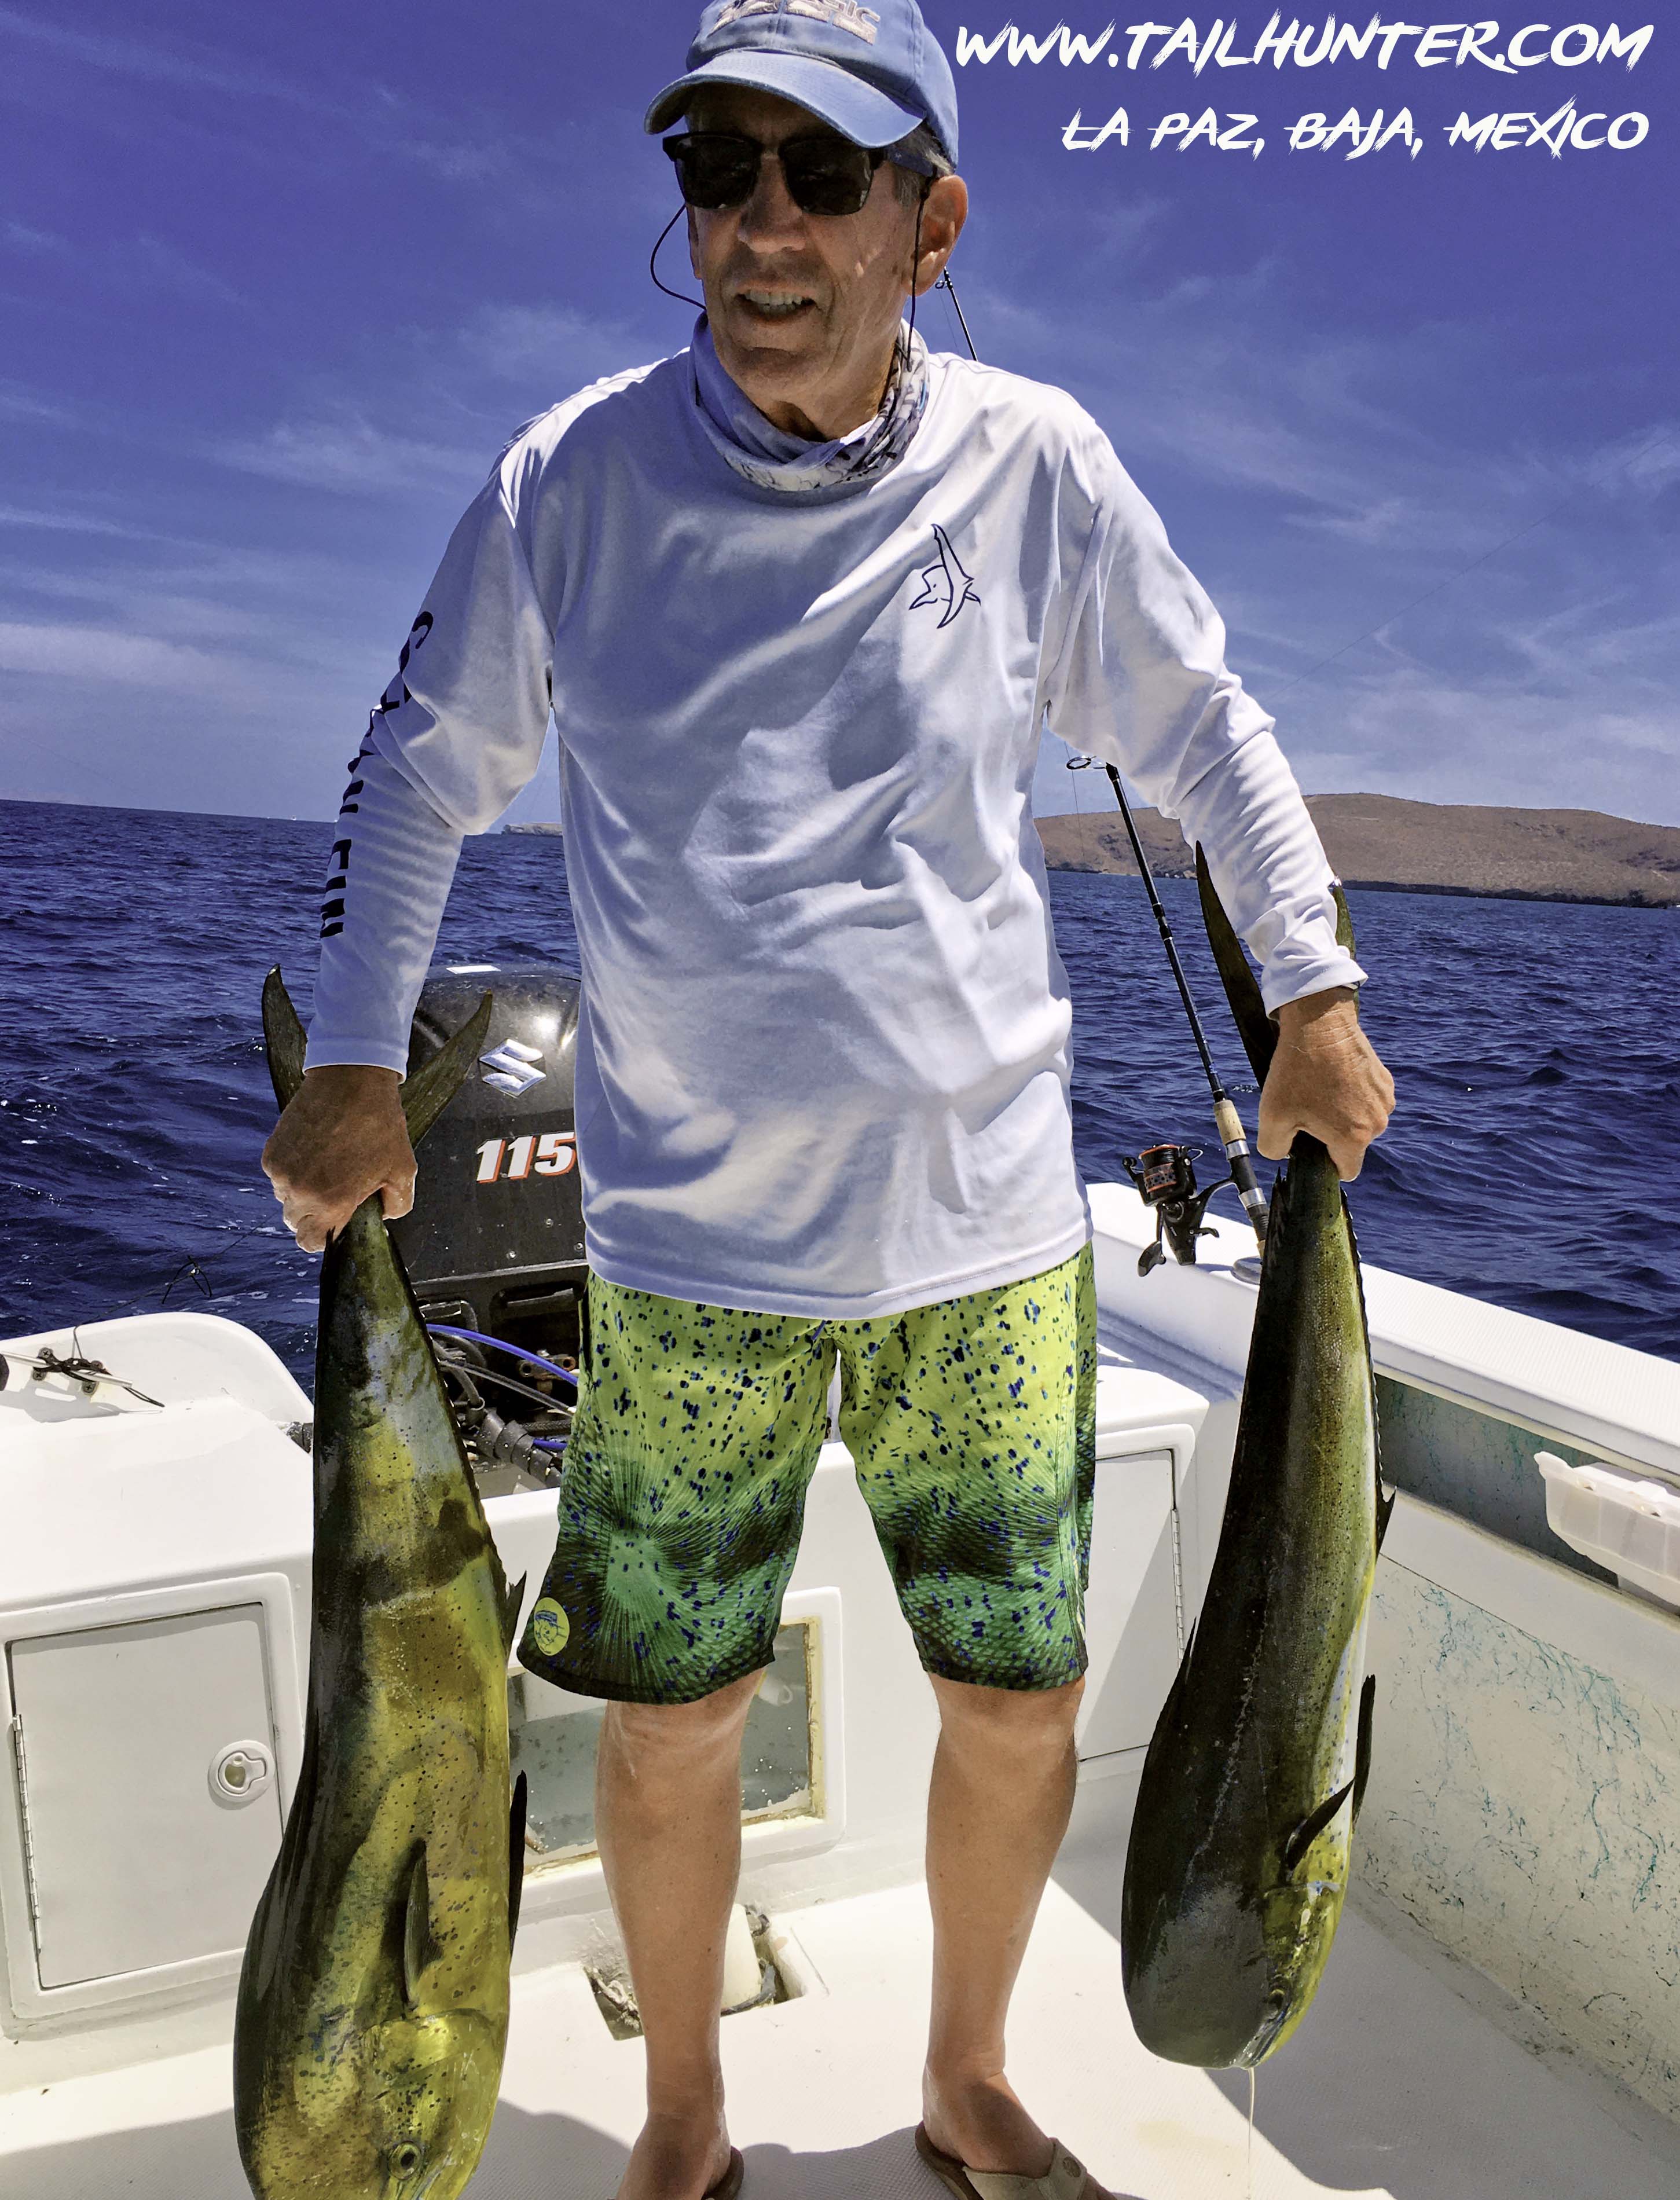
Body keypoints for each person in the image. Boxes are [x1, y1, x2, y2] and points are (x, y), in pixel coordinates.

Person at [262, 4, 1395, 2195]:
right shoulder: (571, 480)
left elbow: (1204, 724)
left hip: (992, 1241)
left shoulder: (1039, 465)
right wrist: (356, 1063)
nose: (761, 225)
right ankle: (685, 2117)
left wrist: (1316, 987)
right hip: (688, 1260)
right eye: (719, 172)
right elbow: (419, 770)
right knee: (673, 1718)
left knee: (1020, 1705)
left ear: (929, 224)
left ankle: (966, 2077)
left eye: (822, 174)